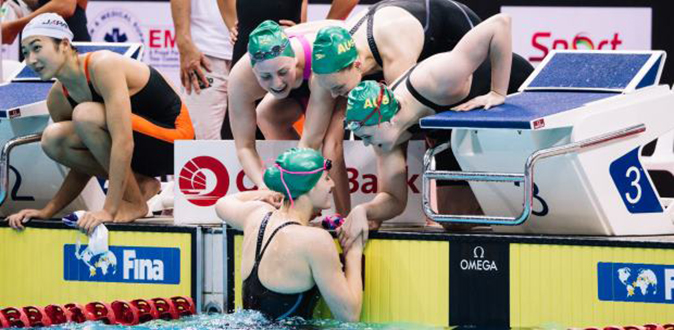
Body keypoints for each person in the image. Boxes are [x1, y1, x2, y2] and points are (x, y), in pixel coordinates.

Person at [339, 14, 531, 246]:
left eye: (367, 137)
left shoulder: (434, 79)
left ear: (386, 121)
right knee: (455, 219)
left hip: (511, 97)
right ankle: (517, 208)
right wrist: (363, 210)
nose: (368, 144)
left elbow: (499, 24)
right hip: (457, 125)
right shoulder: (385, 136)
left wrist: (497, 92)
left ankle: (528, 210)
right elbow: (394, 199)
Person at [5, 14, 194, 233]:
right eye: (26, 53)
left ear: (64, 44)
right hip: (139, 151)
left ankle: (133, 203)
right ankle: (140, 185)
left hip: (175, 142)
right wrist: (49, 210)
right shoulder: (58, 98)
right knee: (53, 139)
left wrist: (108, 210)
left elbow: (124, 142)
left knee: (85, 114)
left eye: (37, 48)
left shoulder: (103, 65)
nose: (31, 60)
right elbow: (83, 161)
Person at [216, 148, 366, 321]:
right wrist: (354, 252)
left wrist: (266, 194)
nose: (332, 184)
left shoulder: (257, 216)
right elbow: (349, 315)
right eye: (326, 178)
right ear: (308, 186)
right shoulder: (315, 240)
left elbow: (222, 203)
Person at [227, 20, 351, 216]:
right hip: (303, 81)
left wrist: (287, 189)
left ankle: (344, 218)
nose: (276, 83)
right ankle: (307, 204)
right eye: (265, 77)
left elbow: (310, 142)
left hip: (334, 66)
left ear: (294, 59)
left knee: (330, 145)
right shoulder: (239, 81)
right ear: (254, 71)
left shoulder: (318, 58)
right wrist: (265, 186)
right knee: (266, 116)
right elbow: (244, 147)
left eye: (282, 72)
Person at [172, 0, 231, 140]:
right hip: (206, 51)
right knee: (201, 142)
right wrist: (184, 42)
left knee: (259, 139)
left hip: (255, 49)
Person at [2, 0, 90, 45]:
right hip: (35, 46)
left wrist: (12, 28)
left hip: (68, 47)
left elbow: (65, 6)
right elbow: (39, 3)